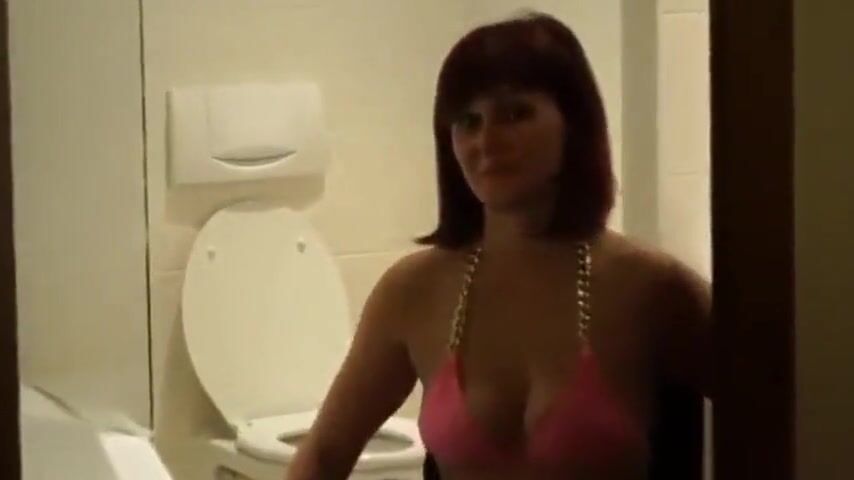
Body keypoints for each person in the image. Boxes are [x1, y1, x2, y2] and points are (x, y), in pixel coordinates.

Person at [285, 10, 712, 480]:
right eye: (468, 121)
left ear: (573, 124)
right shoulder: (413, 291)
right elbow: (324, 452)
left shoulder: (651, 288)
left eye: (515, 114)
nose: (487, 140)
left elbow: (769, 414)